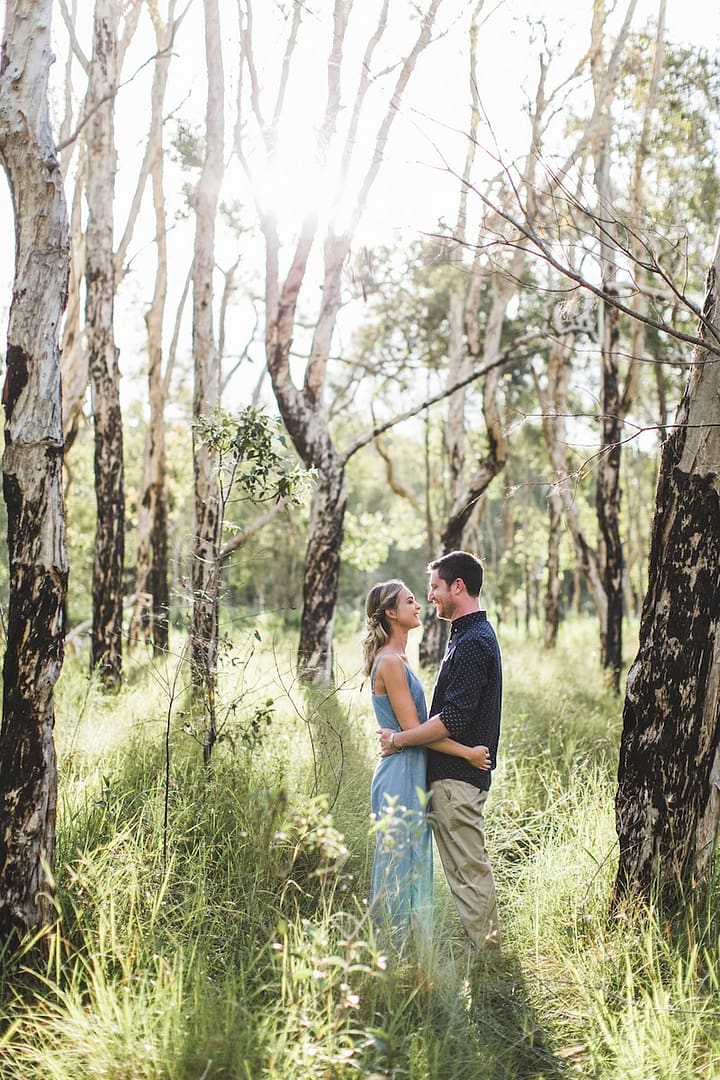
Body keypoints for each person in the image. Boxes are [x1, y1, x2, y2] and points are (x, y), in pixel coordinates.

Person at [378, 552, 502, 951]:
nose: (429, 596)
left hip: (457, 781)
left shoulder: (472, 643)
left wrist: (397, 740)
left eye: (434, 587)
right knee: (460, 870)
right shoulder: (467, 637)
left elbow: (451, 719)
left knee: (468, 871)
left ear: (457, 587)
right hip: (449, 776)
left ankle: (487, 956)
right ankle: (470, 951)